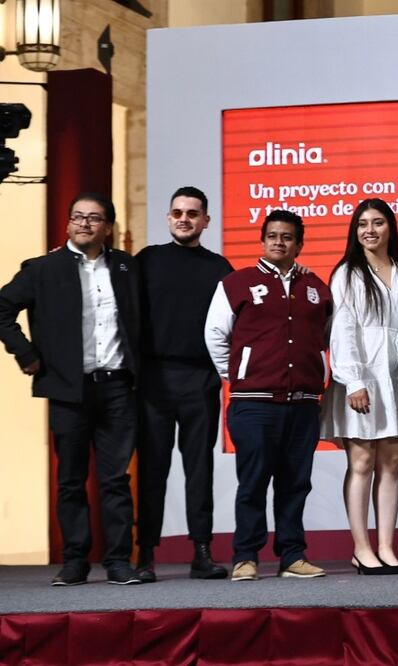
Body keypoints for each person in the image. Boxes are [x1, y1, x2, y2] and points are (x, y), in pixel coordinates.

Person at [0, 192, 142, 585]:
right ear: (67, 224)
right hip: (69, 389)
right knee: (71, 479)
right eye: (78, 217)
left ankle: (117, 561)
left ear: (107, 227)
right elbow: (2, 308)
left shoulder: (128, 268)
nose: (84, 223)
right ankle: (75, 560)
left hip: (117, 387)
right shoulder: (43, 268)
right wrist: (26, 354)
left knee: (116, 479)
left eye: (94, 218)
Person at [204, 209, 332, 581]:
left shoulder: (316, 288)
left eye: (287, 236)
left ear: (299, 244)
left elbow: (324, 336)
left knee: (296, 483)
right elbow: (215, 334)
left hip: (303, 406)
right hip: (253, 404)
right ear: (263, 241)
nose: (279, 241)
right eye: (273, 235)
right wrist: (238, 375)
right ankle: (246, 557)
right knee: (254, 481)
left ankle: (292, 556)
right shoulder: (236, 284)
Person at [134, 186, 232, 583]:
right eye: (177, 212)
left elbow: (232, 327)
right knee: (152, 470)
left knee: (199, 469)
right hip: (153, 381)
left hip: (200, 381)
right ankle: (145, 555)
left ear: (205, 221)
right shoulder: (146, 261)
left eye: (193, 213)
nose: (184, 218)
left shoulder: (219, 268)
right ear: (168, 216)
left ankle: (202, 552)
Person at [322, 199, 398, 575]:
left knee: (391, 464)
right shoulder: (347, 273)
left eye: (378, 223)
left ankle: (386, 547)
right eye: (363, 224)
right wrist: (353, 381)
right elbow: (342, 330)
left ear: (390, 228)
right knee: (361, 461)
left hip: (396, 379)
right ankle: (362, 548)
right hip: (359, 377)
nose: (370, 230)